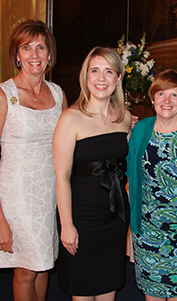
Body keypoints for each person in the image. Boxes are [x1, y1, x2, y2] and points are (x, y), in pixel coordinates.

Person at [0, 19, 67, 300]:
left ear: (50, 55)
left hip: (47, 198)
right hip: (15, 199)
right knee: (26, 272)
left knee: (42, 267)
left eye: (41, 47)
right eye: (26, 48)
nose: (35, 55)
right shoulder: (1, 95)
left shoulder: (57, 93)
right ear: (17, 55)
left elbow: (73, 136)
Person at [53, 47, 131, 300]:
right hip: (82, 220)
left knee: (109, 289)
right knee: (83, 292)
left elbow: (124, 167)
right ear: (85, 76)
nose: (101, 78)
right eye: (94, 70)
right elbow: (62, 177)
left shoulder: (126, 118)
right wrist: (67, 225)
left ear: (118, 78)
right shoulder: (70, 118)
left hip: (114, 220)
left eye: (109, 71)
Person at [128, 69, 177, 301]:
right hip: (148, 232)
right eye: (161, 94)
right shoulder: (141, 129)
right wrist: (131, 231)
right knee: (151, 296)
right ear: (152, 99)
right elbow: (132, 180)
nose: (167, 101)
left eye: (174, 95)